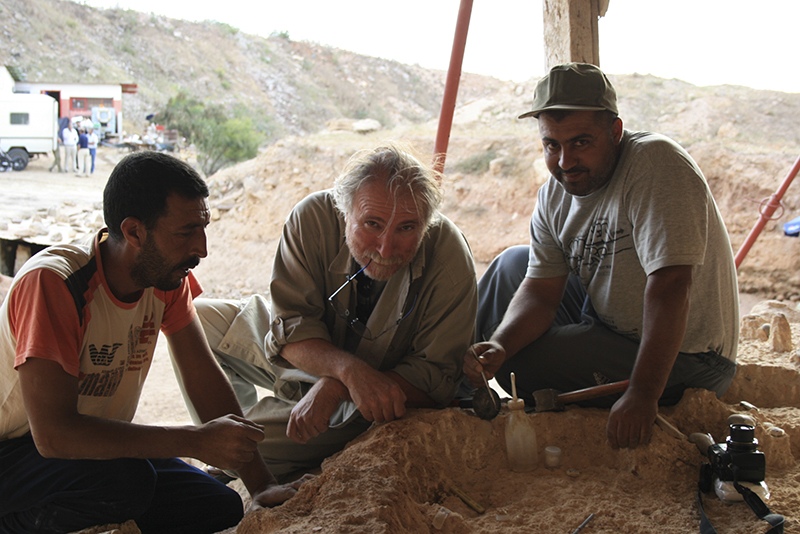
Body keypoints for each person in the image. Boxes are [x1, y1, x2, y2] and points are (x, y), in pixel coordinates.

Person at [0, 152, 307, 533]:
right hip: (17, 451)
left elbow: (202, 378)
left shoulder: (165, 279)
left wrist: (261, 484)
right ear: (134, 232)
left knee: (218, 505)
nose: (203, 248)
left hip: (86, 455)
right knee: (124, 485)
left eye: (204, 227)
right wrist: (194, 441)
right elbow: (54, 436)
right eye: (186, 232)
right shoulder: (55, 283)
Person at [464, 63, 738, 450]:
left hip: (690, 358)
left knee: (520, 369)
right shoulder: (555, 192)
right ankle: (465, 386)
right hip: (608, 323)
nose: (564, 162)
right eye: (551, 145)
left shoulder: (655, 164)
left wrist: (643, 394)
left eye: (580, 142)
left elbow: (672, 284)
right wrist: (501, 344)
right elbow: (541, 291)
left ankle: (552, 366)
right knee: (510, 267)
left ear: (615, 132)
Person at [176, 144, 477, 481]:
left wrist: (337, 388)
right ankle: (241, 429)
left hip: (376, 392)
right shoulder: (312, 219)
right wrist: (344, 371)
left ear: (426, 225)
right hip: (315, 360)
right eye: (372, 224)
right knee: (197, 322)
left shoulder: (449, 256)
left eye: (406, 228)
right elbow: (291, 329)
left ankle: (247, 451)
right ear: (343, 211)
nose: (385, 248)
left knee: (263, 444)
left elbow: (435, 379)